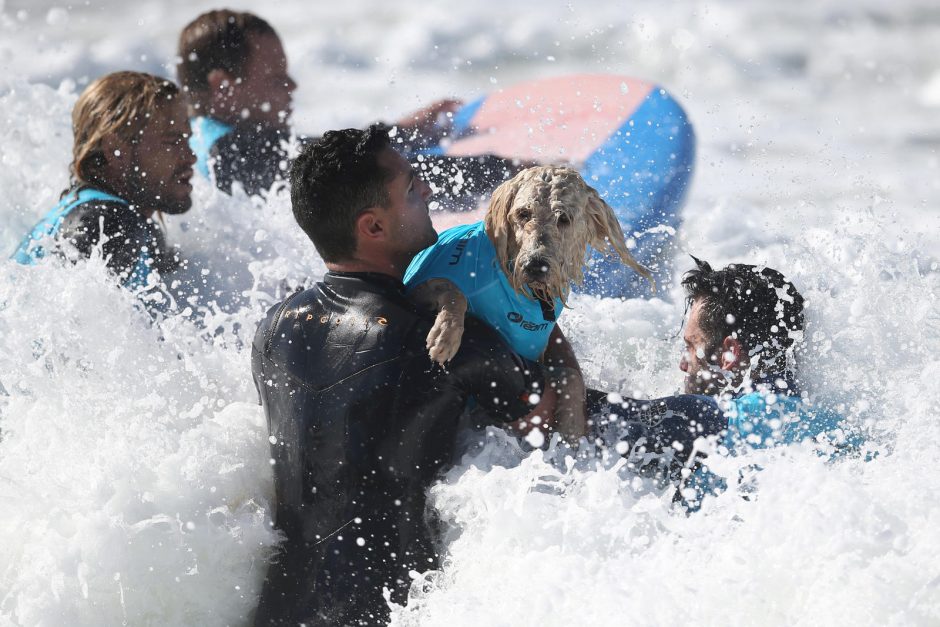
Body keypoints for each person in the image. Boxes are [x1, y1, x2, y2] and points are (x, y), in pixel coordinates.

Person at [250, 125, 559, 625]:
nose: (430, 192)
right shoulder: (449, 345)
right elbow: (546, 414)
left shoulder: (273, 329)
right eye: (413, 190)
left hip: (277, 611)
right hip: (388, 614)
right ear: (372, 227)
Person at [587, 257, 858, 507]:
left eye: (691, 346)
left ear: (729, 354)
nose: (683, 363)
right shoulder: (833, 426)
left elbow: (573, 407)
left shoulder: (714, 419)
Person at [177, 9, 522, 203]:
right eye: (275, 77)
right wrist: (501, 171)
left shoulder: (203, 140)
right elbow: (367, 174)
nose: (292, 86)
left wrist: (399, 131)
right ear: (223, 86)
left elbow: (320, 151)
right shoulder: (235, 153)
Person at [12, 71, 195, 289]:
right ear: (115, 149)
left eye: (186, 139)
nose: (190, 156)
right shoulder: (105, 224)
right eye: (172, 141)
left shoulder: (134, 225)